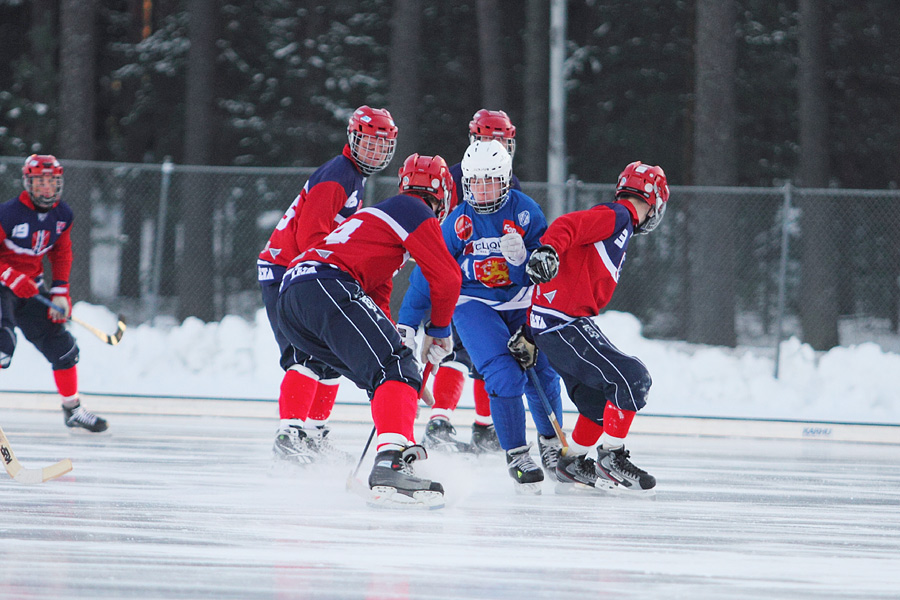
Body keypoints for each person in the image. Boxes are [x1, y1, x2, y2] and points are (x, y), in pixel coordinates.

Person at [276, 153, 461, 508]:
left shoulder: (378, 219)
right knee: (395, 369)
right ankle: (390, 462)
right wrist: (438, 330)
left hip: (296, 295)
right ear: (443, 196)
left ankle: (395, 445)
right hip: (326, 284)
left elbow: (376, 300)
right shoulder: (414, 210)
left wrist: (403, 375)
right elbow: (448, 277)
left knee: (389, 373)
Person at [399, 139, 565, 494]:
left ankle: (552, 445)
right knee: (505, 375)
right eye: (475, 181)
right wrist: (408, 323)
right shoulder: (458, 220)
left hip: (520, 301)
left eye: (490, 181)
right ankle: (517, 454)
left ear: (505, 180)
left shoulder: (526, 211)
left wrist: (524, 261)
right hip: (475, 303)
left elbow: (546, 269)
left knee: (543, 366)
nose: (482, 190)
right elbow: (429, 271)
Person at [258, 106, 397, 464]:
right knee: (303, 354)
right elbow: (310, 234)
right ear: (353, 138)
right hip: (285, 269)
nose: (375, 152)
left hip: (303, 271)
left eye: (382, 146)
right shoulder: (339, 173)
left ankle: (313, 434)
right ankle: (289, 433)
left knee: (328, 358)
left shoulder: (353, 178)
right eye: (369, 143)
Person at [522, 161, 670, 493]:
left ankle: (572, 460)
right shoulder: (617, 216)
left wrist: (529, 330)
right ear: (656, 200)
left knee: (596, 404)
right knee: (633, 379)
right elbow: (568, 224)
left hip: (557, 323)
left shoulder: (621, 224)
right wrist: (548, 249)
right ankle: (611, 456)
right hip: (562, 323)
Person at [397, 109, 522, 454]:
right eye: (489, 139)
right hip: (451, 274)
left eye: (502, 140)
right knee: (449, 346)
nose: (496, 147)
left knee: (490, 354)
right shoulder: (453, 177)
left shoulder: (511, 183)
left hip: (487, 283)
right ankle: (439, 420)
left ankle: (484, 425)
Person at [0, 154, 107, 433]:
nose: (46, 189)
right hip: (3, 287)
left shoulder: (63, 215)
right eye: (40, 183)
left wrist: (61, 291)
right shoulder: (9, 213)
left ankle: (72, 409)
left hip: (31, 288)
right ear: (28, 183)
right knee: (2, 347)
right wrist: (10, 276)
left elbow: (61, 252)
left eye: (51, 182)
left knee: (64, 349)